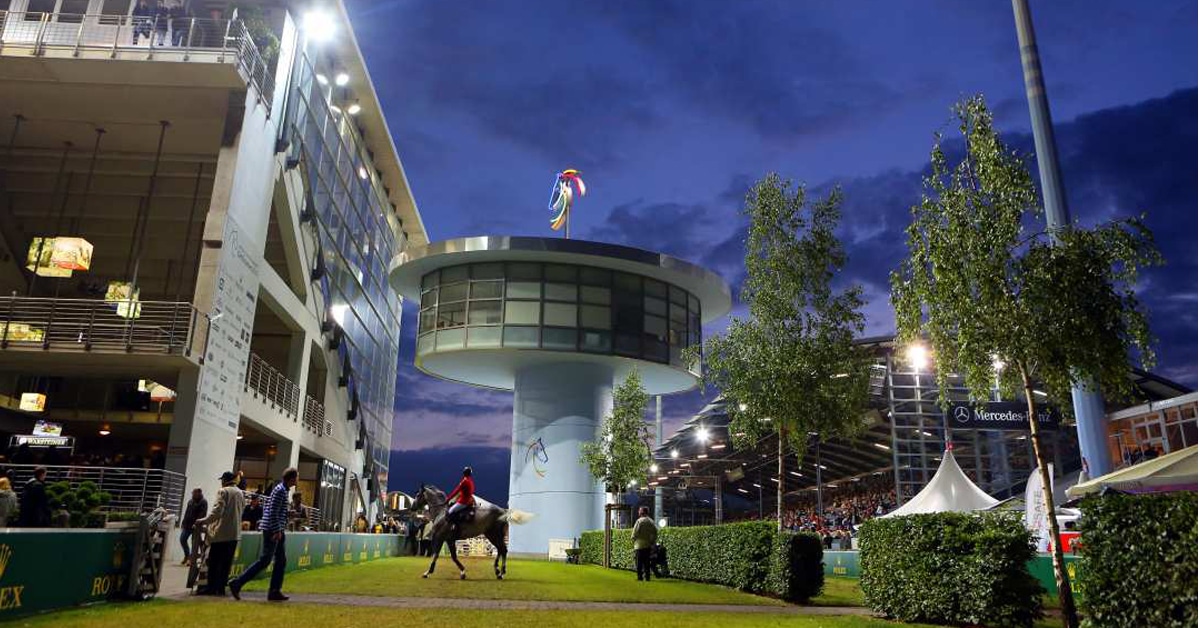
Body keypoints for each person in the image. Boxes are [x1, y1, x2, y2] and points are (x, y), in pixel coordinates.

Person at [229, 467, 297, 602]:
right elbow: (272, 512)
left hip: (276, 529)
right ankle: (237, 583)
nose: (298, 479)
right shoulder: (280, 491)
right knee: (265, 560)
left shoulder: (281, 490)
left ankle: (274, 591)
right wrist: (277, 531)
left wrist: (287, 515)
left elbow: (274, 510)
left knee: (280, 561)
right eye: (297, 477)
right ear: (292, 478)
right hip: (273, 530)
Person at [197, 471, 245, 596]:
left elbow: (217, 511)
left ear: (224, 480)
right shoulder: (240, 493)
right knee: (226, 563)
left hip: (221, 533)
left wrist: (204, 521)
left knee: (214, 562)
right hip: (234, 534)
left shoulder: (223, 491)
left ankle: (211, 588)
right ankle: (221, 588)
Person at [180, 487, 208, 565]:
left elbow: (202, 514)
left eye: (194, 493)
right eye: (192, 493)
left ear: (199, 493)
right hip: (187, 525)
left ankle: (192, 560)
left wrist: (196, 523)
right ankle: (187, 556)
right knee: (182, 539)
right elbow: (187, 512)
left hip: (196, 526)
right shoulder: (190, 501)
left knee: (194, 543)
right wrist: (183, 522)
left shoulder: (203, 502)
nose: (192, 494)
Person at [444, 466, 475, 533]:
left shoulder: (464, 481)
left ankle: (454, 527)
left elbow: (456, 491)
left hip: (464, 501)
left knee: (450, 511)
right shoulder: (470, 480)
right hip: (469, 500)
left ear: (464, 473)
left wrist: (448, 499)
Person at [631, 507, 658, 581]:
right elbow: (655, 532)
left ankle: (640, 577)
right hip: (648, 544)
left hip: (639, 545)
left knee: (639, 562)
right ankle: (647, 577)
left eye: (639, 511)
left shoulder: (639, 521)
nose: (638, 512)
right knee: (647, 562)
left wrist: (633, 539)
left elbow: (635, 533)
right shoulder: (651, 521)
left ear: (642, 512)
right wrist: (652, 541)